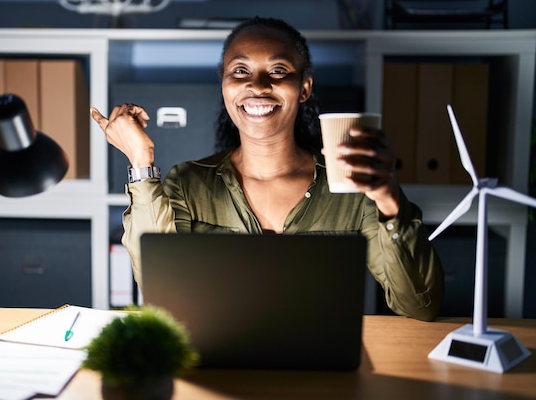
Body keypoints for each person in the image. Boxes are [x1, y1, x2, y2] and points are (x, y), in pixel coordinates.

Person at [91, 17, 444, 322]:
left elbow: (418, 307)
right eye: (240, 71)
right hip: (219, 367)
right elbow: (158, 290)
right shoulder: (187, 183)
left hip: (320, 370)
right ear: (225, 87)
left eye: (278, 71)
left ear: (304, 88)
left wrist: (389, 202)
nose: (257, 86)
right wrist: (140, 161)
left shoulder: (351, 186)